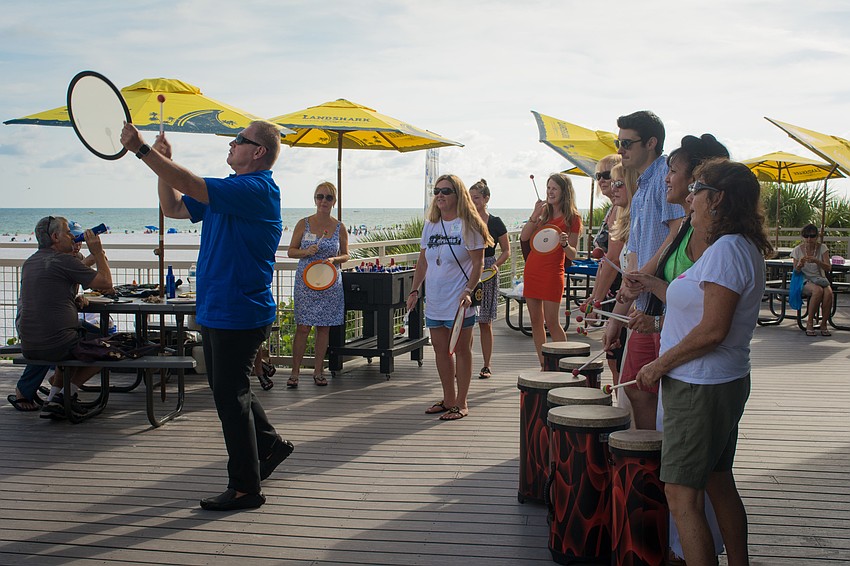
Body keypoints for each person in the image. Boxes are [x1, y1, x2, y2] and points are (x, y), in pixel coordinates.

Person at [120, 120, 294, 512]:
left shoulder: (255, 189)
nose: (231, 145)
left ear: (258, 152)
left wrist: (145, 152)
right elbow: (174, 206)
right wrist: (163, 163)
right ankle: (269, 445)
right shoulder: (231, 190)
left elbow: (195, 186)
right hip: (218, 309)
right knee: (230, 390)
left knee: (230, 398)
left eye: (239, 140)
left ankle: (246, 488)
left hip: (240, 311)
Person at [635, 159, 772, 566]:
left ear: (719, 199)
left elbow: (713, 330)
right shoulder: (734, 247)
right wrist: (654, 290)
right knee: (718, 482)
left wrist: (660, 364)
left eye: (697, 189)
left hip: (700, 386)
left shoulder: (727, 250)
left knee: (681, 495)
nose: (689, 198)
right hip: (716, 382)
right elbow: (696, 308)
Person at [624, 134, 731, 564]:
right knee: (711, 483)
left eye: (676, 171)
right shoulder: (689, 227)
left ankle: (687, 551)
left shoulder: (716, 242)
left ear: (700, 186)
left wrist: (656, 324)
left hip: (698, 371)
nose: (669, 177)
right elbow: (673, 283)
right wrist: (641, 287)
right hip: (683, 363)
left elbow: (710, 321)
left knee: (690, 489)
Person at [602, 110, 685, 430]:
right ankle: (652, 459)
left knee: (662, 392)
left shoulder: (667, 178)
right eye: (618, 142)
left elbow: (677, 232)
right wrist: (617, 315)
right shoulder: (641, 190)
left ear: (651, 143)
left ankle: (665, 463)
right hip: (642, 303)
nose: (620, 149)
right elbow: (633, 254)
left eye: (626, 142)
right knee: (636, 386)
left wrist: (644, 276)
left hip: (664, 301)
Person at [406, 174, 492, 421]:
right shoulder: (430, 225)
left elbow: (478, 264)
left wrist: (467, 291)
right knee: (441, 351)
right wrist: (414, 290)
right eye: (437, 191)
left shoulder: (470, 225)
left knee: (462, 350)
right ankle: (448, 399)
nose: (440, 195)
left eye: (446, 191)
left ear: (458, 195)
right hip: (435, 299)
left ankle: (462, 403)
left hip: (459, 300)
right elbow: (422, 261)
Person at [17, 216, 113, 419]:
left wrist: (72, 300)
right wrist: (97, 252)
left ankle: (55, 398)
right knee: (110, 348)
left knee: (72, 338)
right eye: (68, 233)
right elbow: (105, 283)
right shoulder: (64, 260)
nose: (72, 236)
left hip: (29, 343)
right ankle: (68, 393)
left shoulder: (30, 262)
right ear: (55, 237)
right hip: (57, 344)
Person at [287, 181, 350, 387]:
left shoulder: (339, 227)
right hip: (306, 282)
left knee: (324, 328)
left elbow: (346, 255)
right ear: (315, 199)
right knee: (303, 327)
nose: (324, 201)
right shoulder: (302, 223)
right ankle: (295, 373)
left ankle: (318, 371)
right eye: (320, 196)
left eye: (328, 197)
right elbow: (291, 251)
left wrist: (334, 260)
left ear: (334, 201)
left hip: (330, 283)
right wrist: (306, 252)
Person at [520, 173, 581, 368]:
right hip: (533, 271)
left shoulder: (573, 218)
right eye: (548, 188)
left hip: (553, 273)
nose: (550, 192)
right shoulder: (543, 216)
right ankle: (544, 364)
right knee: (536, 322)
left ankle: (565, 362)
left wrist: (564, 244)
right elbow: (524, 237)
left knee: (552, 322)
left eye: (554, 188)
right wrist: (534, 214)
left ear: (565, 191)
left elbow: (572, 254)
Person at [586, 154, 625, 384]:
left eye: (607, 175)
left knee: (618, 358)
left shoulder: (620, 211)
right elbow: (605, 263)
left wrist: (595, 302)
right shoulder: (613, 210)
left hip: (621, 293)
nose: (601, 180)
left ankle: (625, 415)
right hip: (612, 292)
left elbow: (614, 260)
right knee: (613, 358)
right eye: (598, 175)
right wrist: (594, 295)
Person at [469, 179, 510, 379]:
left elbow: (507, 250)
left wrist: (496, 264)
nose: (472, 201)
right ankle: (464, 363)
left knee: (485, 321)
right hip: (468, 270)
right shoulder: (465, 220)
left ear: (486, 199)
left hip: (487, 271)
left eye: (476, 197)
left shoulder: (495, 222)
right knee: (466, 321)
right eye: (470, 198)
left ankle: (486, 364)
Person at [791, 224, 834, 336]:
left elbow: (828, 267)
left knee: (829, 293)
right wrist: (800, 265)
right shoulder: (797, 250)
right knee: (817, 291)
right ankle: (810, 323)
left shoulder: (822, 248)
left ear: (817, 237)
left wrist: (817, 261)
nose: (809, 239)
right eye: (806, 236)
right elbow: (796, 272)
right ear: (803, 237)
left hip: (820, 279)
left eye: (812, 236)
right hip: (804, 280)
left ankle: (824, 324)